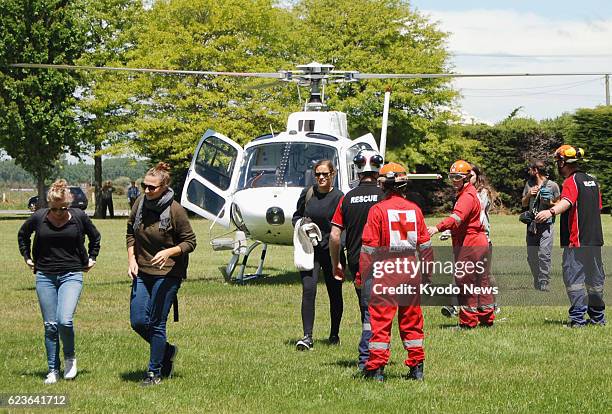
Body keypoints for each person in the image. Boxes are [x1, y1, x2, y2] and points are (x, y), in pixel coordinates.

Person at [17, 179, 101, 384]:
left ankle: (70, 358)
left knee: (65, 320)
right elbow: (23, 235)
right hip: (45, 275)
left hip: (72, 274)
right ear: (48, 205)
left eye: (63, 208)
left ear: (69, 204)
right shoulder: (39, 217)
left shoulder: (78, 217)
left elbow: (95, 237)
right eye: (55, 209)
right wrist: (27, 257)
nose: (59, 213)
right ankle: (52, 370)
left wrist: (92, 258)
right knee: (50, 325)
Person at [359, 166, 432, 381]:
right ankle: (417, 368)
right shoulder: (415, 210)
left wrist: (362, 275)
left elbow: (368, 248)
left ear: (384, 185)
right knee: (412, 321)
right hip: (410, 270)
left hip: (386, 271)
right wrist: (427, 273)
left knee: (381, 322)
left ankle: (377, 370)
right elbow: (426, 246)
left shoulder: (378, 210)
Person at [127, 162, 197, 386]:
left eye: (152, 188)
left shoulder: (175, 210)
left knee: (157, 323)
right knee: (138, 321)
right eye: (144, 186)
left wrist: (169, 251)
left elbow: (190, 242)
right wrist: (131, 259)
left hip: (168, 272)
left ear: (165, 188)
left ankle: (154, 373)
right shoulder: (140, 203)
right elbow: (130, 231)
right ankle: (167, 350)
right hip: (143, 270)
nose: (147, 191)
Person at [535, 145, 605, 327]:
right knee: (594, 280)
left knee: (574, 280)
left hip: (577, 240)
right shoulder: (592, 181)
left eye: (558, 161)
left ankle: (578, 320)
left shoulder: (571, 181)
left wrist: (550, 212)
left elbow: (567, 202)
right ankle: (598, 319)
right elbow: (596, 207)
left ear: (563, 162)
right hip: (595, 240)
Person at [329, 150, 385, 370]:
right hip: (384, 260)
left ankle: (371, 354)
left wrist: (336, 262)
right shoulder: (385, 196)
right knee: (382, 309)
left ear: (358, 169)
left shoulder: (347, 198)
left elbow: (334, 235)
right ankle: (373, 355)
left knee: (366, 308)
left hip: (357, 261)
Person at [428, 160, 495, 329]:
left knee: (465, 281)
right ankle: (487, 318)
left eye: (457, 177)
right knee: (482, 280)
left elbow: (457, 218)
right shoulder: (469, 193)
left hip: (470, 242)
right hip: (478, 241)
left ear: (466, 178)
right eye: (451, 177)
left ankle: (467, 322)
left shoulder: (467, 196)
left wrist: (437, 228)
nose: (453, 180)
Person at [292, 159, 344, 350]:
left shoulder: (340, 197)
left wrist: (337, 244)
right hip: (309, 250)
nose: (321, 177)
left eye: (325, 174)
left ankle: (334, 334)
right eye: (318, 174)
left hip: (332, 252)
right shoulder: (308, 194)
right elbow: (296, 216)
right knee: (308, 290)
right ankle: (307, 337)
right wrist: (302, 225)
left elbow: (345, 227)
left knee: (335, 293)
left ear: (333, 175)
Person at [522, 160, 560, 291]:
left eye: (530, 169)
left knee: (544, 254)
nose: (529, 172)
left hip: (547, 225)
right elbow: (523, 204)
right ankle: (537, 279)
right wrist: (528, 194)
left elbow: (560, 204)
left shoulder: (553, 185)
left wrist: (549, 202)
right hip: (531, 225)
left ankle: (544, 282)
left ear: (536, 170)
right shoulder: (529, 184)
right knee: (532, 256)